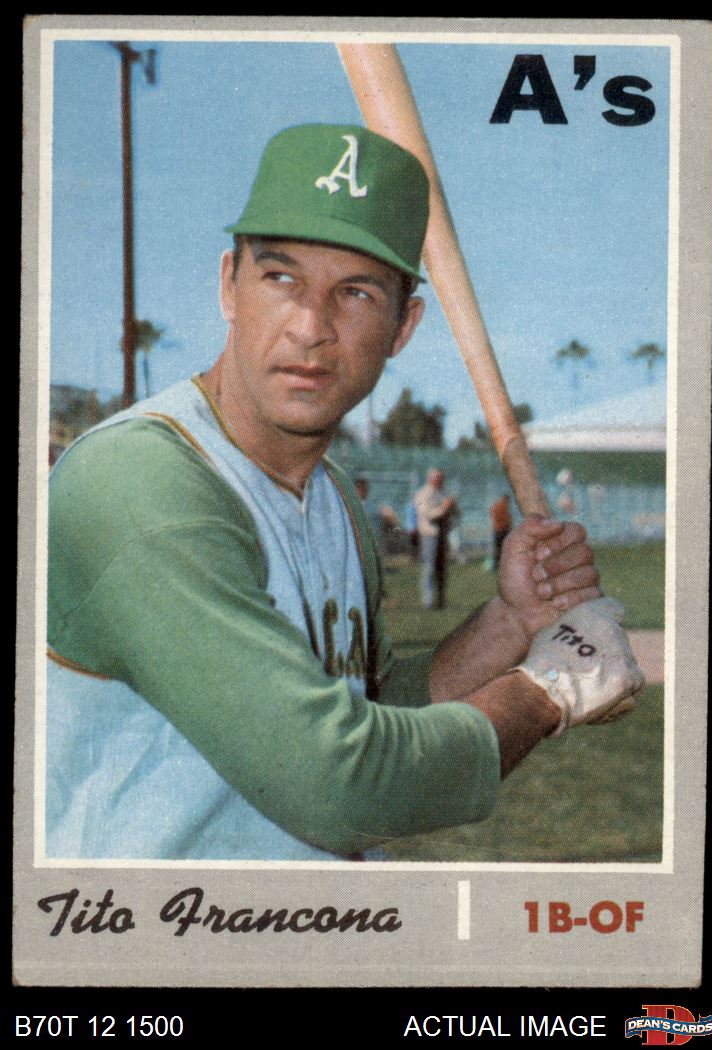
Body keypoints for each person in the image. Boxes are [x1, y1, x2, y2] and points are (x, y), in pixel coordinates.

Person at [46, 124, 643, 862]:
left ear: (402, 327)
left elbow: (372, 703)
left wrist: (511, 622)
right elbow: (339, 784)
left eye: (356, 292)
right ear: (229, 284)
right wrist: (550, 691)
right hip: (146, 924)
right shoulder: (138, 480)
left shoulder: (333, 497)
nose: (310, 327)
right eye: (281, 278)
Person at [414, 469, 459, 609]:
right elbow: (427, 515)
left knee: (442, 569)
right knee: (429, 568)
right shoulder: (422, 494)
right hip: (429, 535)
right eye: (439, 478)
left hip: (442, 535)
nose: (441, 481)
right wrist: (444, 508)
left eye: (442, 478)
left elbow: (456, 515)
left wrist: (453, 507)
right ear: (431, 479)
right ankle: (428, 601)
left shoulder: (443, 494)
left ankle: (441, 600)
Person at [490, 493, 513, 569]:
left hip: (496, 529)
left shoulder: (496, 505)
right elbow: (508, 520)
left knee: (497, 548)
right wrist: (510, 528)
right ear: (506, 499)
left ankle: (496, 564)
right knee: (504, 547)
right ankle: (503, 563)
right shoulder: (505, 507)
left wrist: (494, 522)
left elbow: (491, 512)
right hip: (503, 530)